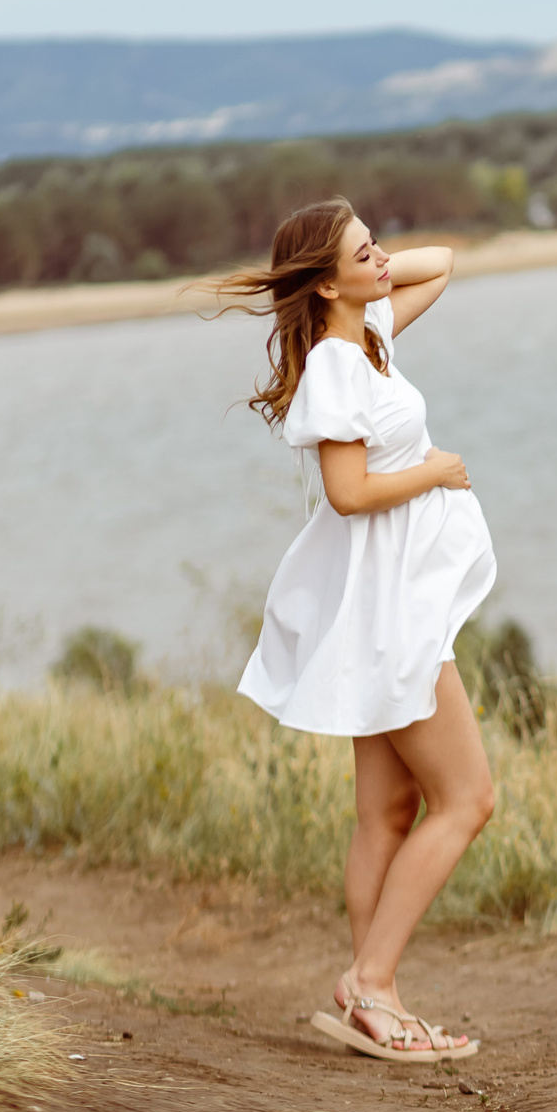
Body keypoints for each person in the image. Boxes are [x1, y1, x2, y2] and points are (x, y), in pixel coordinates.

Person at [211, 199, 497, 1062]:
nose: (384, 258)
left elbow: (442, 260)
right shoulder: (338, 363)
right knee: (467, 797)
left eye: (377, 242)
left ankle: (374, 989)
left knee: (387, 809)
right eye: (362, 251)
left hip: (389, 596)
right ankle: (372, 983)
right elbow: (349, 491)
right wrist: (435, 470)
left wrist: (363, 269)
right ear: (326, 281)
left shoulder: (368, 337)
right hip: (389, 611)